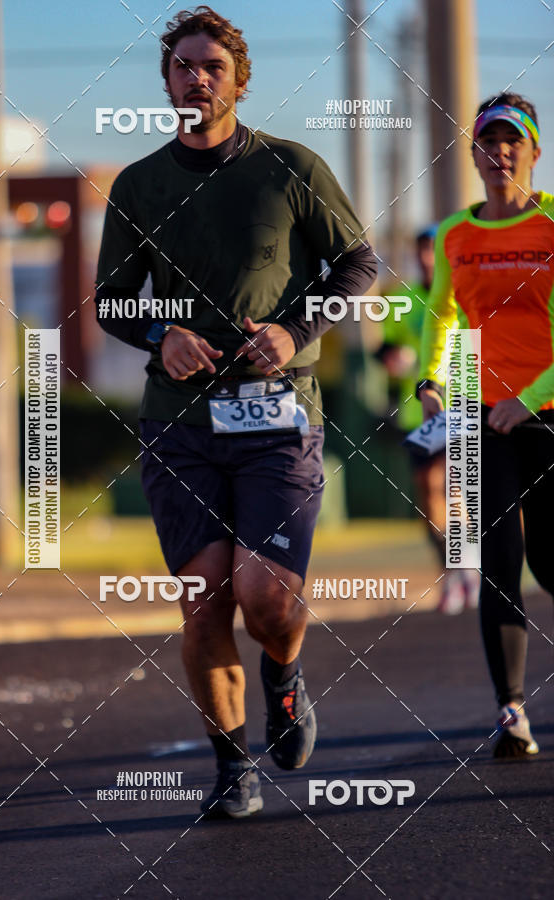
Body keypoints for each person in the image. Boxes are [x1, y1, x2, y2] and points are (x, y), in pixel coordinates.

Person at [94, 6, 377, 816]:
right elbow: (111, 302)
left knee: (265, 595)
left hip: (279, 419)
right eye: (183, 65)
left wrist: (294, 329)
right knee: (206, 595)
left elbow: (359, 261)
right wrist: (160, 334)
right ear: (167, 79)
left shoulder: (291, 168)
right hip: (179, 426)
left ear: (239, 81)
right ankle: (232, 769)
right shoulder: (138, 184)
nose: (197, 77)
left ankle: (283, 679)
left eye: (212, 66)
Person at [417, 92, 554, 757]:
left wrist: (527, 401)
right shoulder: (454, 235)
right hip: (481, 415)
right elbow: (441, 312)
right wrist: (431, 377)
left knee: (552, 562)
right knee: (499, 563)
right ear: (472, 154)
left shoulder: (553, 226)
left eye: (513, 141)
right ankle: (511, 710)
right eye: (487, 142)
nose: (500, 152)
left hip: (549, 413)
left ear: (534, 152)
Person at [377, 228, 478, 614]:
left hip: (465, 406)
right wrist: (392, 357)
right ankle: (454, 571)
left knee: (457, 490)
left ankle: (468, 566)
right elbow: (385, 347)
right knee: (427, 495)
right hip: (419, 413)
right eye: (421, 251)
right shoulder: (403, 299)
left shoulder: (467, 295)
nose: (426, 259)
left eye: (433, 252)